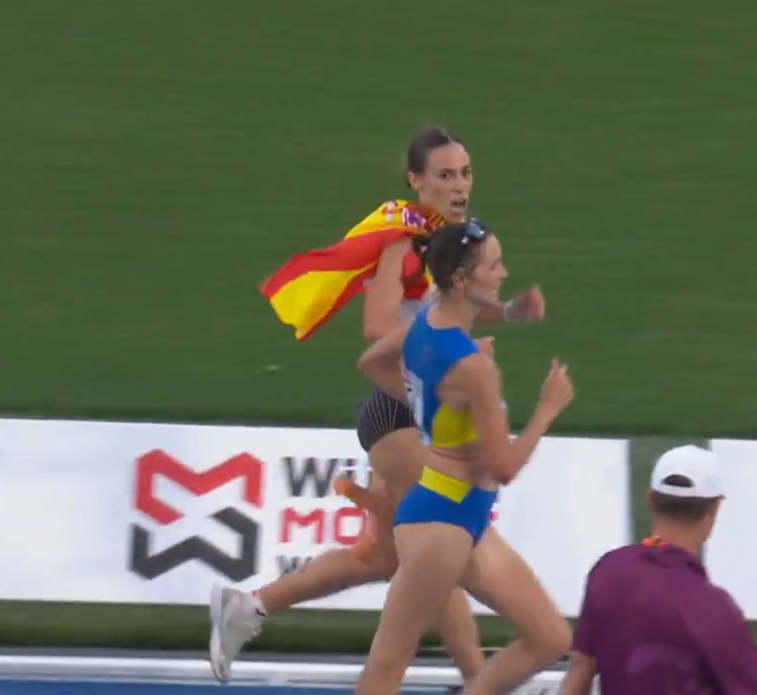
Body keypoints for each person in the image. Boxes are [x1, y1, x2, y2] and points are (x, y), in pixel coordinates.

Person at [210, 127, 545, 685]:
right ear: (416, 181)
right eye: (444, 175)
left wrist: (507, 312)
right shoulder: (401, 240)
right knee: (445, 554)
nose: (458, 185)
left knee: (382, 556)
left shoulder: (451, 238)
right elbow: (377, 326)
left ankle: (247, 607)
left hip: (407, 413)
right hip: (401, 415)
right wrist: (443, 353)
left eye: (464, 173)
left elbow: (452, 305)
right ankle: (476, 680)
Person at [354, 220, 573, 695]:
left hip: (463, 517)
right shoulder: (473, 369)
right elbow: (505, 467)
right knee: (386, 667)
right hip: (439, 522)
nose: (503, 272)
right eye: (493, 266)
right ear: (459, 279)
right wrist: (546, 410)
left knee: (550, 636)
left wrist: (422, 400)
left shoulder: (425, 322)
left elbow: (369, 363)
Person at [560, 445, 757, 695]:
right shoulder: (712, 607)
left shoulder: (608, 570)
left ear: (650, 499)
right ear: (712, 511)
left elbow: (579, 670)